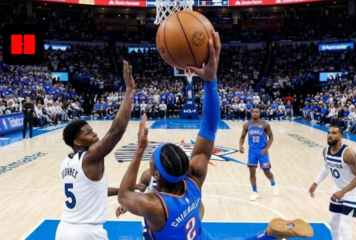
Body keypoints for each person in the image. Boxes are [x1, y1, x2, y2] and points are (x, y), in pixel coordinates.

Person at [118, 32, 313, 240]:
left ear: (156, 176)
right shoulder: (193, 179)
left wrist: (139, 149)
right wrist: (211, 81)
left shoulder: (155, 206)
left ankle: (267, 237)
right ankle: (267, 237)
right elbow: (209, 127)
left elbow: (123, 196)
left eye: (150, 160)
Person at [55, 60, 135, 240]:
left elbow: (93, 190)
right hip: (87, 233)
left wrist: (123, 190)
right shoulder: (90, 157)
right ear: (78, 142)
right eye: (89, 133)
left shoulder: (66, 162)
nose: (95, 135)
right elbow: (117, 130)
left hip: (64, 230)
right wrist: (129, 90)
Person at [309, 125, 356, 240]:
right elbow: (326, 167)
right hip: (338, 190)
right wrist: (315, 183)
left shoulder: (348, 153)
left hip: (353, 193)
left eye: (334, 133)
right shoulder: (326, 150)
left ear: (340, 137)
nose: (330, 135)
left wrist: (343, 192)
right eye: (328, 132)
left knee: (344, 227)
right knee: (332, 223)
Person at [239, 108, 278, 201]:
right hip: (252, 151)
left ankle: (274, 185)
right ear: (251, 113)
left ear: (260, 113)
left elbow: (271, 137)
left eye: (257, 112)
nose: (255, 113)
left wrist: (266, 148)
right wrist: (240, 146)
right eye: (253, 112)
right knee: (252, 172)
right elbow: (242, 137)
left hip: (262, 151)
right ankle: (255, 192)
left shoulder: (265, 124)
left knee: (267, 172)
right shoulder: (246, 125)